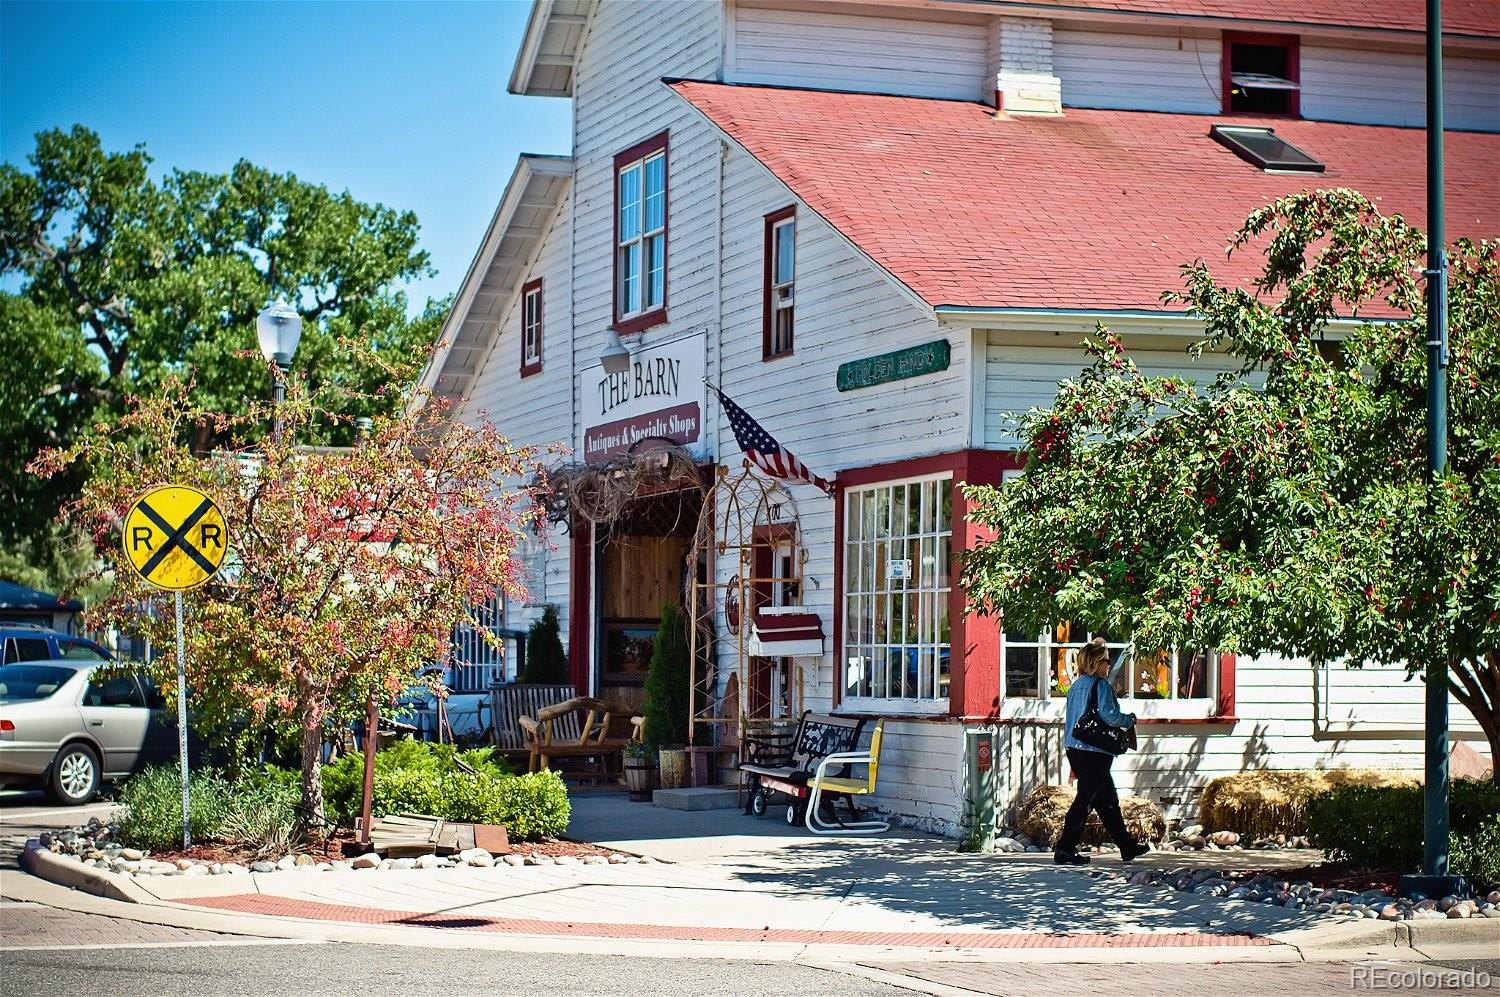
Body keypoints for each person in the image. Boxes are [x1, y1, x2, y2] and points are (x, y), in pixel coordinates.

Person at [1054, 637, 1150, 865]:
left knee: (1107, 800)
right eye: (1107, 661)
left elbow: (1072, 721)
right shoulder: (1101, 685)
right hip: (1095, 751)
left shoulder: (1076, 686)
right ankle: (1065, 848)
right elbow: (1109, 716)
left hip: (1075, 749)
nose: (1109, 665)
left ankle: (1126, 846)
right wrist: (1129, 720)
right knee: (1085, 800)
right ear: (1097, 663)